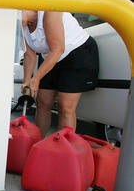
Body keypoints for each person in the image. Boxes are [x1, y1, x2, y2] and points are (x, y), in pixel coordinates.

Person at [21, 10, 99, 138]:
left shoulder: (49, 12)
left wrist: (36, 78)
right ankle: (38, 145)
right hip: (52, 57)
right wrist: (27, 81)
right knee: (42, 102)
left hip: (77, 53)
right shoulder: (23, 25)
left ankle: (63, 149)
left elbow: (58, 49)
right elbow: (29, 55)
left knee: (65, 107)